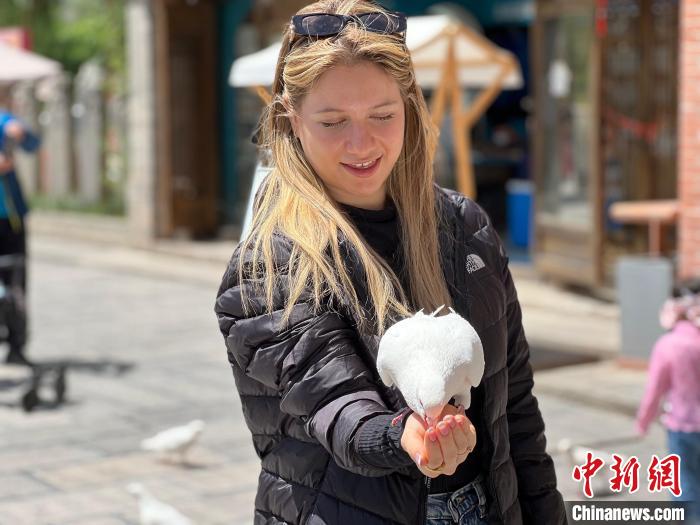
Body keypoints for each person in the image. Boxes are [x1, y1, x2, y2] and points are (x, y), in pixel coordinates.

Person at [215, 2, 565, 523]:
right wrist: (402, 435)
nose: (362, 144)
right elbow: (336, 406)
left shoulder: (464, 228)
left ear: (410, 106)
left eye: (383, 115)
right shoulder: (270, 262)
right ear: (291, 119)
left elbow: (515, 409)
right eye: (333, 122)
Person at [636, 280, 700, 520]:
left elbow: (654, 390)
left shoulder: (668, 345)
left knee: (685, 483)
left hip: (682, 426)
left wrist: (643, 422)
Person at [0, 85, 40, 366]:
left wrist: (19, 131)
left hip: (11, 218)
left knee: (16, 284)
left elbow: (32, 143)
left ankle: (17, 345)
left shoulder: (5, 120)